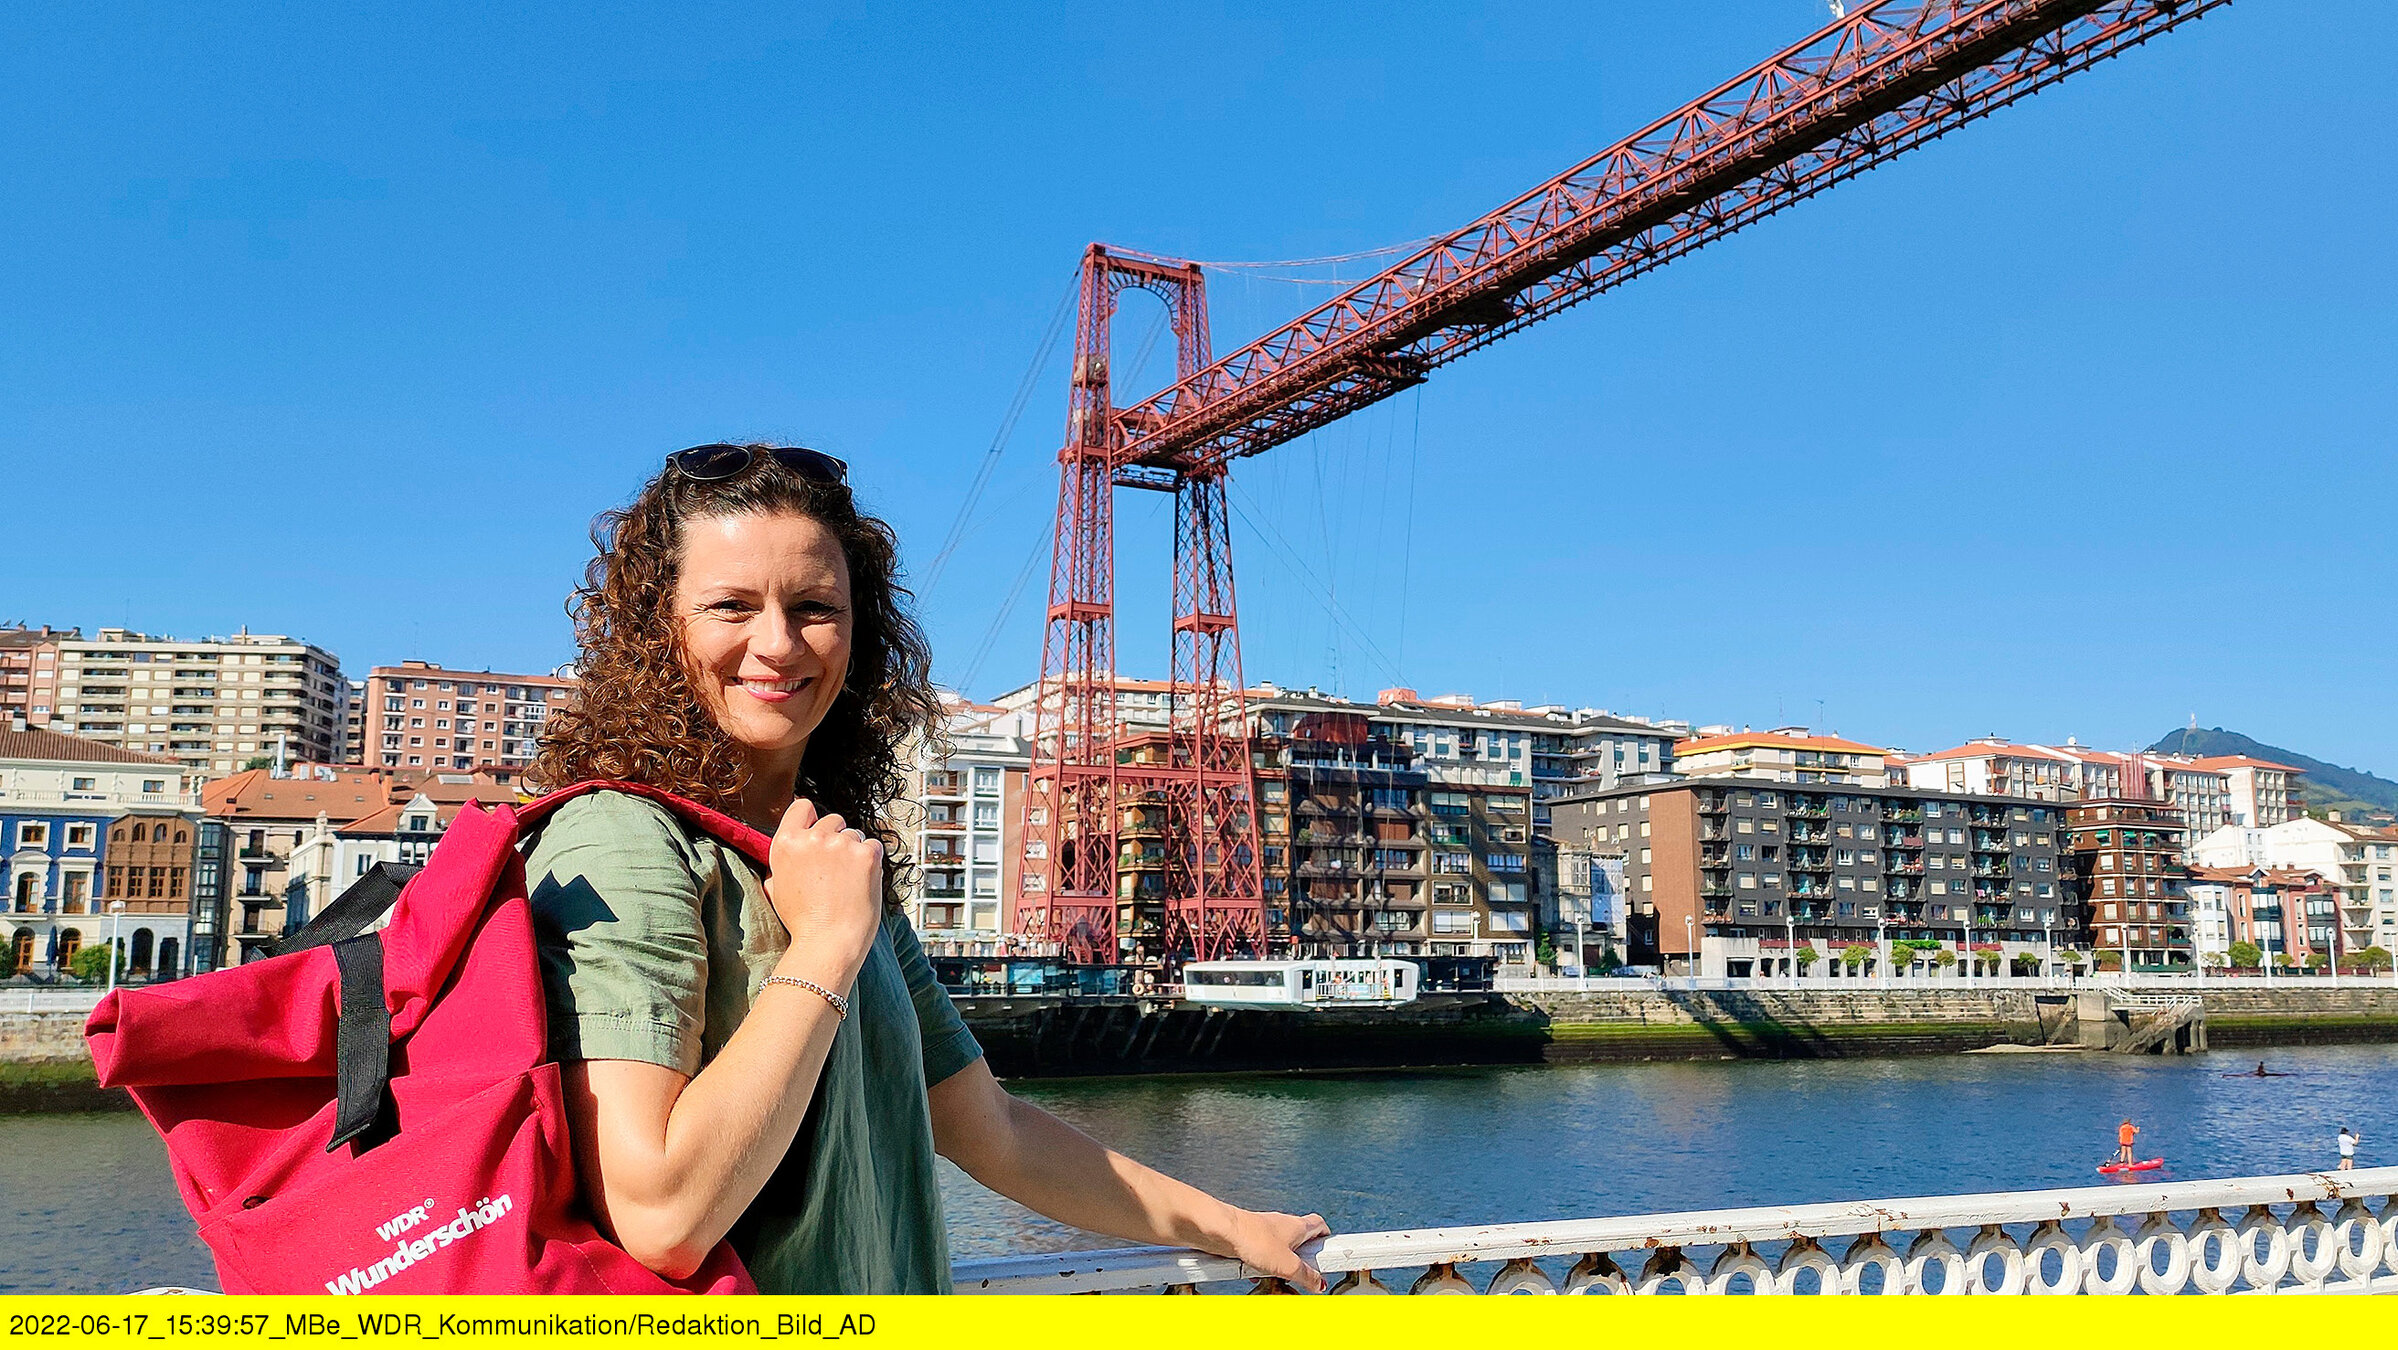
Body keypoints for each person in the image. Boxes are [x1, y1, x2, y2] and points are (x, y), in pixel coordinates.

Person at [525, 443, 1329, 1294]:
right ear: (659, 629)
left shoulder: (831, 858)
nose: (778, 642)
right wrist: (826, 945)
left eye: (814, 606)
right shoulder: (622, 843)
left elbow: (995, 1132)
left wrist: (1233, 1226)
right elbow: (662, 1220)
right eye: (730, 605)